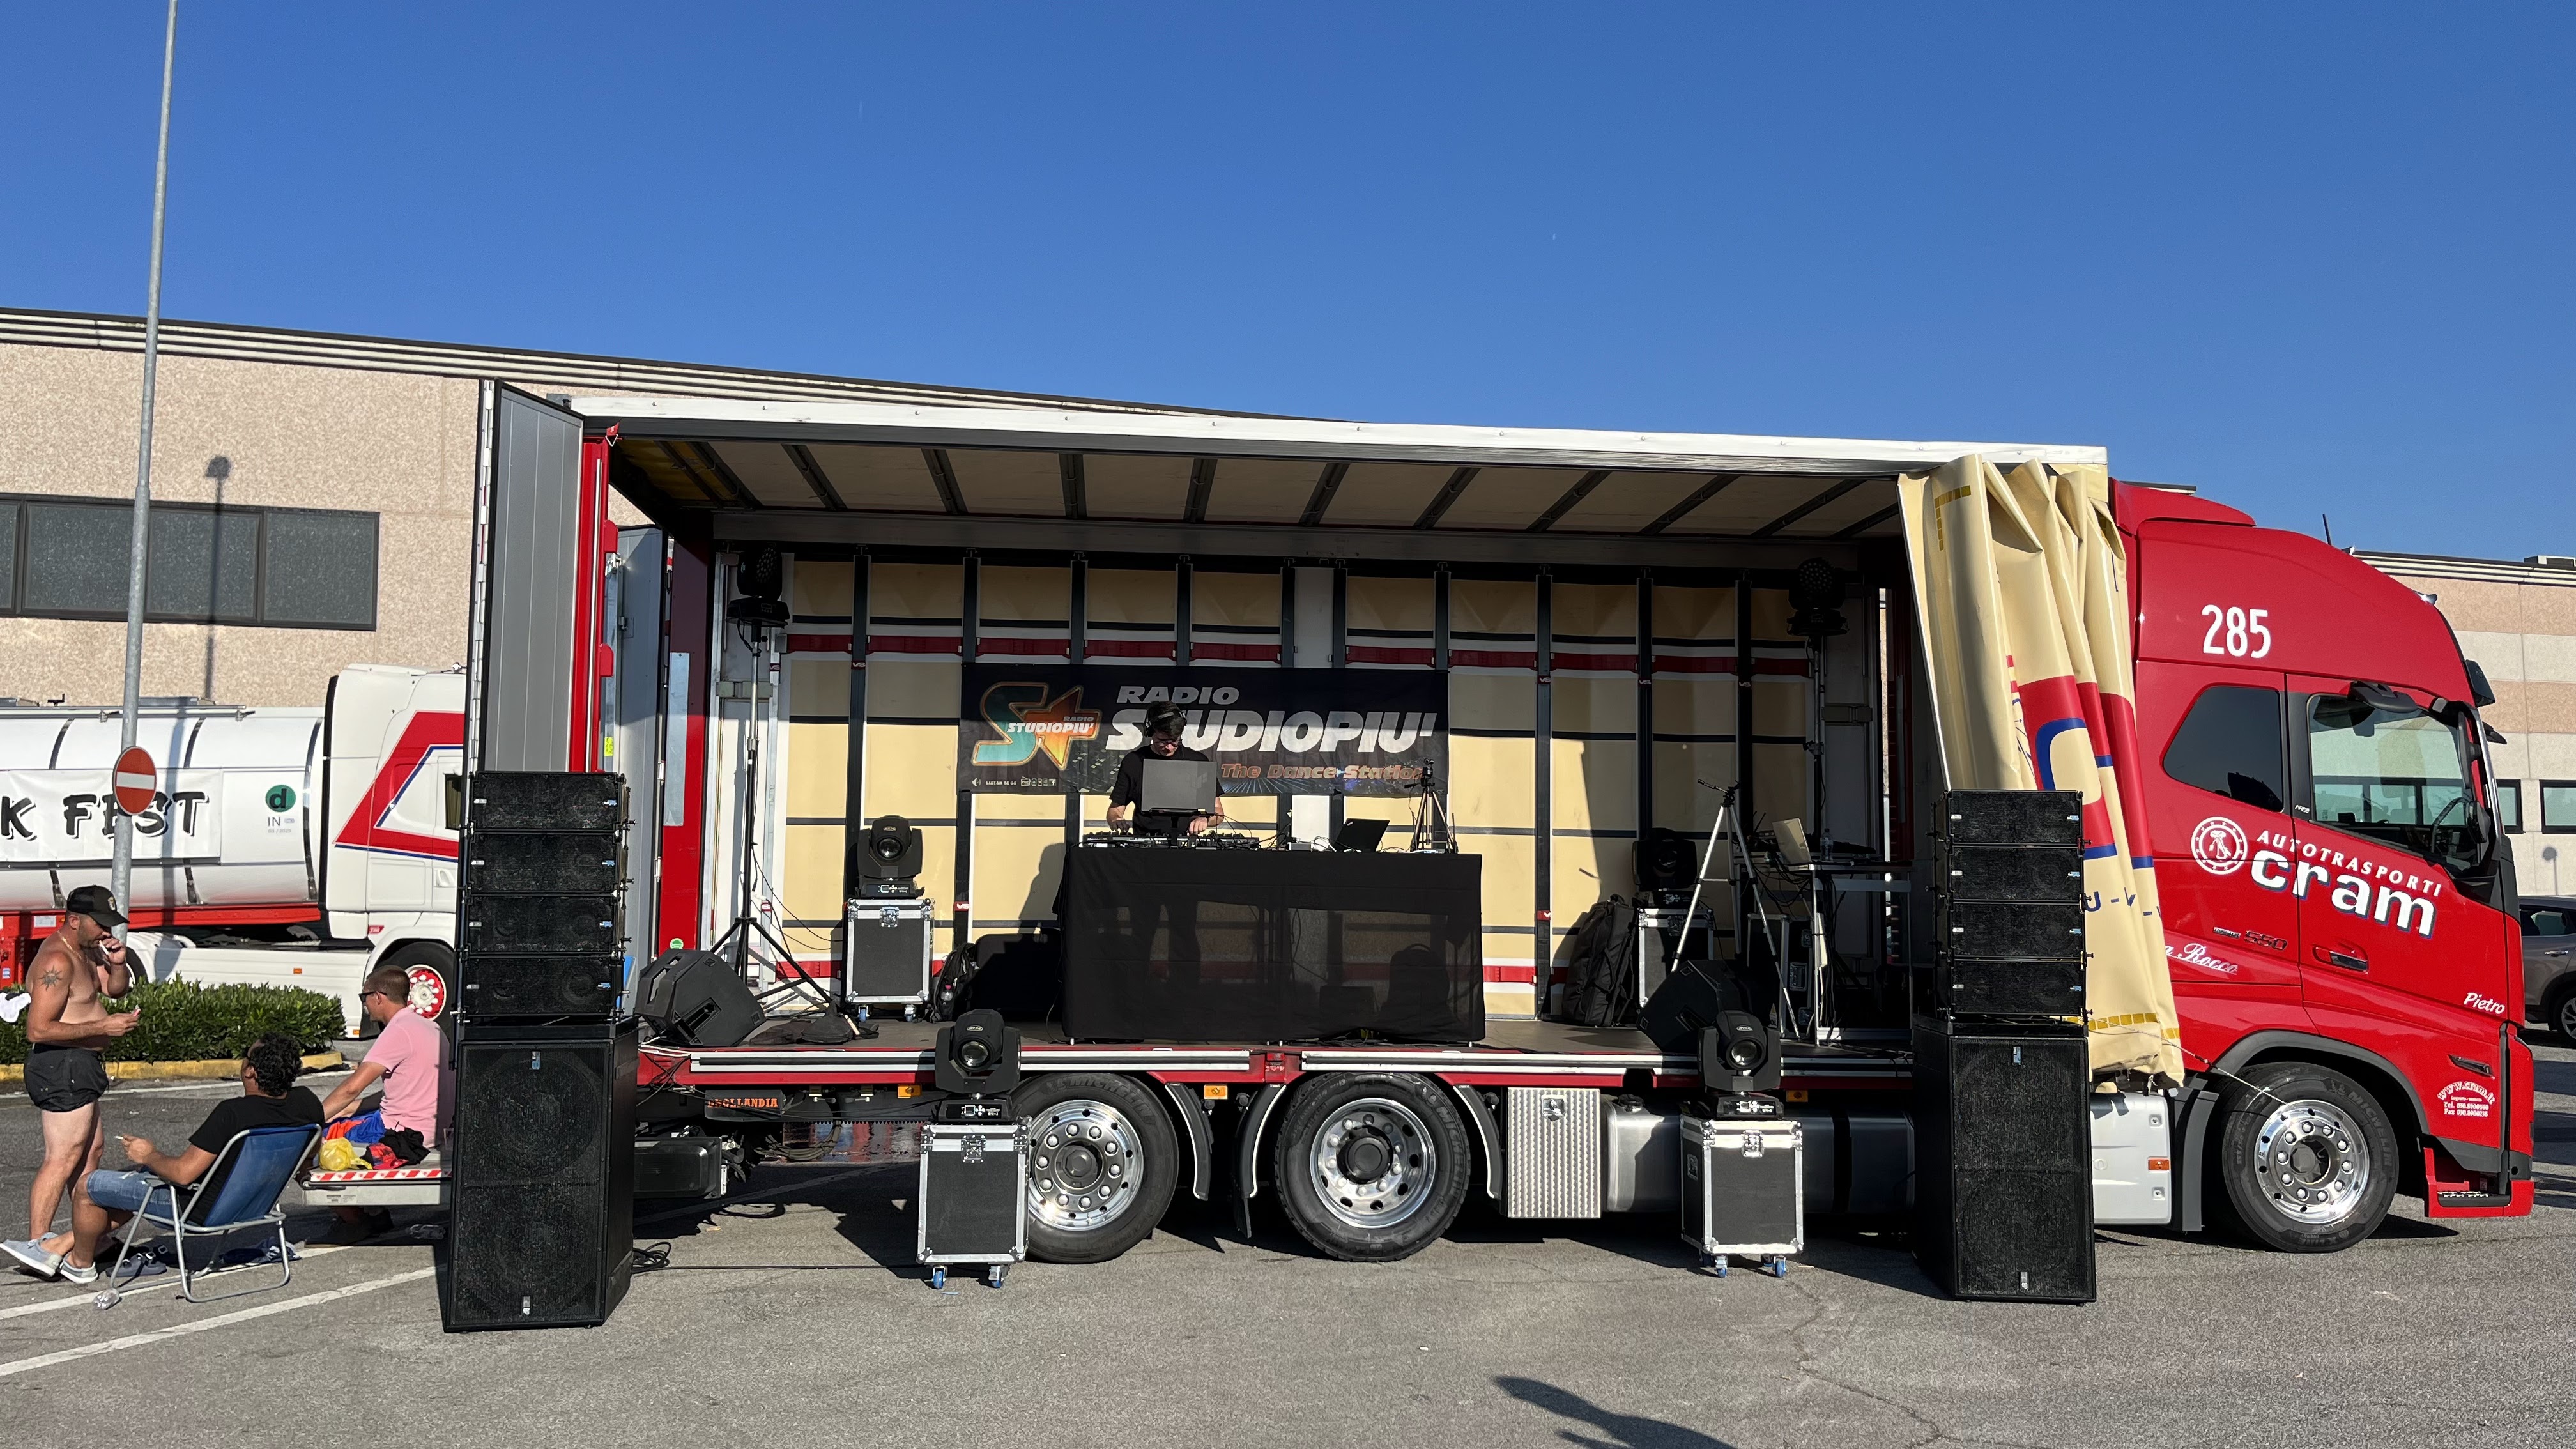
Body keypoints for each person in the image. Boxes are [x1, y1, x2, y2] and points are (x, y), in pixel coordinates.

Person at [22, 1034, 325, 1285]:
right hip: (254, 1205)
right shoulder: (307, 1103)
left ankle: (80, 1263)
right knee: (137, 1179)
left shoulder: (233, 1113)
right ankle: (61, 1244)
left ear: (250, 1072)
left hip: (197, 1210)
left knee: (89, 1186)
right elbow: (310, 1151)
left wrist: (149, 1153)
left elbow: (182, 1174)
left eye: (246, 1057)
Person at [4, 885, 140, 1280]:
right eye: (101, 924)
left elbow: (114, 990)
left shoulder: (88, 950)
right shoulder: (57, 960)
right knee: (62, 1157)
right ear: (75, 920)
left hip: (81, 1064)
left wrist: (118, 963)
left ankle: (91, 1239)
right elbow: (38, 1029)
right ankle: (38, 1246)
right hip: (60, 1065)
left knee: (90, 1152)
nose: (106, 932)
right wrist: (103, 1027)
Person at [316, 964, 450, 1243]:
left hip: (400, 1133)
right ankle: (376, 1213)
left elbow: (352, 1087)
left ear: (378, 997)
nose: (364, 1004)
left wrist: (313, 1118)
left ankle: (355, 1222)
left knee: (314, 1140)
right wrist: (351, 1108)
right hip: (432, 1129)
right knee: (344, 1117)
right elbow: (403, 1090)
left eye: (364, 997)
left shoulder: (397, 1031)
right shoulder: (432, 1027)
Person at [1105, 702, 1225, 838]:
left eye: (1174, 741)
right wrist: (1116, 820)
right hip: (1145, 843)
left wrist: (1205, 819)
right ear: (1150, 733)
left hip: (1187, 843)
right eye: (1162, 741)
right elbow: (1115, 809)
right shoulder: (1134, 762)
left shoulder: (1199, 762)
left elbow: (1218, 812)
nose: (1169, 747)